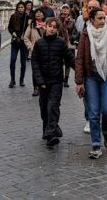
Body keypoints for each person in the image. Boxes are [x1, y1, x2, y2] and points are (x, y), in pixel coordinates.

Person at [75, 7, 107, 159]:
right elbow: (80, 58)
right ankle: (96, 145)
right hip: (91, 77)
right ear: (92, 20)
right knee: (94, 112)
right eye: (100, 18)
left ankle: (106, 132)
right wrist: (79, 81)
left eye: (104, 18)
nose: (103, 21)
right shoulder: (85, 34)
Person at [31, 17, 75, 147]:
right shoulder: (39, 43)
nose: (52, 29)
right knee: (44, 108)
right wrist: (39, 81)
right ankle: (50, 129)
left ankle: (51, 135)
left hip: (56, 80)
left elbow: (70, 59)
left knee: (53, 106)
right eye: (50, 26)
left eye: (55, 27)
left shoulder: (61, 42)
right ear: (45, 26)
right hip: (43, 81)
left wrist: (80, 70)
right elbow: (35, 63)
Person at [7, 1, 30, 88]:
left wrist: (26, 34)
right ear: (17, 8)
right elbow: (9, 27)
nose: (20, 9)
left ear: (24, 8)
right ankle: (12, 80)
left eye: (22, 7)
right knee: (12, 60)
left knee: (23, 62)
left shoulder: (28, 17)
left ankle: (21, 79)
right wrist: (13, 33)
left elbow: (30, 27)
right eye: (19, 7)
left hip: (24, 42)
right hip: (15, 41)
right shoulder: (13, 16)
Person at [24, 8, 47, 96]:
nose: (38, 14)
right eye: (37, 13)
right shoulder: (31, 25)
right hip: (35, 51)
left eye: (40, 12)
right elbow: (26, 37)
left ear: (43, 15)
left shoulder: (47, 25)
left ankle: (43, 86)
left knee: (44, 69)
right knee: (36, 70)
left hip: (45, 50)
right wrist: (30, 47)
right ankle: (36, 87)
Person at [58, 4, 75, 87]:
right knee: (59, 62)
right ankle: (60, 78)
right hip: (59, 43)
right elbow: (58, 29)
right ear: (61, 10)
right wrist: (64, 22)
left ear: (69, 11)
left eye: (66, 8)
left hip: (69, 43)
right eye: (63, 8)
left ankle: (66, 80)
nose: (65, 10)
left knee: (68, 62)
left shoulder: (72, 21)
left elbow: (74, 31)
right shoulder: (57, 20)